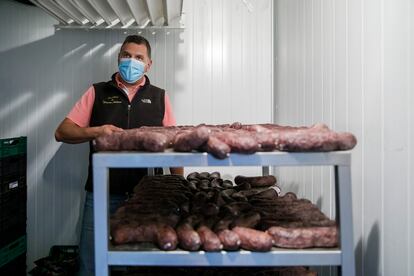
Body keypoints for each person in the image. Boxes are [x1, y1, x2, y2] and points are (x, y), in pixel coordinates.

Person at [55, 35, 183, 276]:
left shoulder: (159, 97)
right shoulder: (97, 92)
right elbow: (62, 132)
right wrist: (96, 131)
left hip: (146, 197)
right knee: (92, 263)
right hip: (102, 194)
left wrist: (179, 189)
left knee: (141, 263)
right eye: (126, 55)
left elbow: (174, 148)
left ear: (149, 64)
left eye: (138, 57)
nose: (131, 61)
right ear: (118, 58)